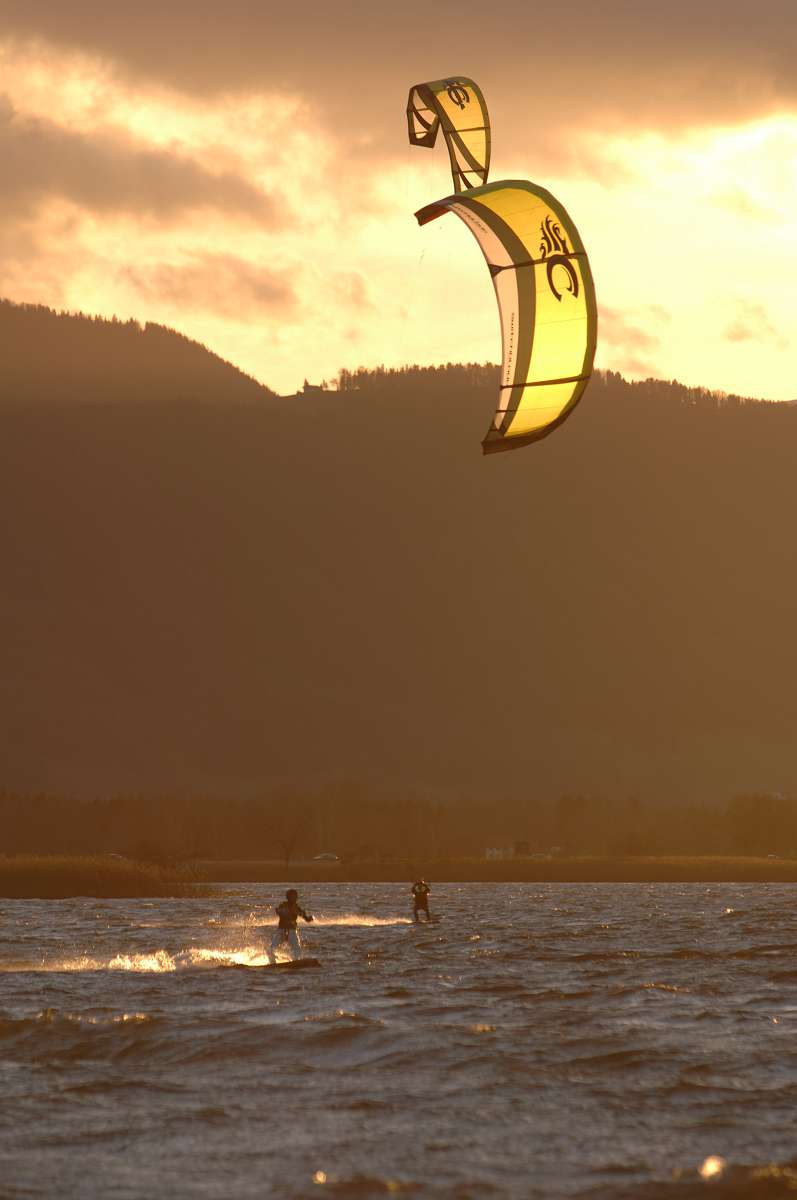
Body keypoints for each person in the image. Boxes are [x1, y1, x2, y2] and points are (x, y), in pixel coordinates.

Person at [267, 888, 313, 962]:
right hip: (281, 931)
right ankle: (272, 963)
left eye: (295, 896)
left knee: (297, 950)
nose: (295, 898)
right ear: (288, 897)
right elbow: (278, 911)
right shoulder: (283, 905)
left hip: (292, 931)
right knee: (271, 948)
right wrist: (280, 911)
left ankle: (295, 962)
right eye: (293, 896)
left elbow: (305, 918)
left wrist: (309, 918)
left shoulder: (297, 908)